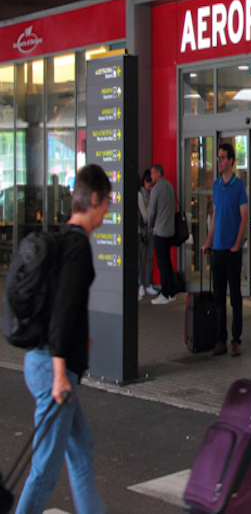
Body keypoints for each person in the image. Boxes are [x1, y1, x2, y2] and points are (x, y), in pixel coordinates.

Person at [15, 164, 111, 514]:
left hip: (42, 362)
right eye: (107, 204)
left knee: (81, 446)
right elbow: (63, 311)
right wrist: (59, 374)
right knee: (44, 469)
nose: (106, 214)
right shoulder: (78, 248)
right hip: (52, 370)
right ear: (95, 199)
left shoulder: (60, 237)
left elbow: (62, 306)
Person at [202, 143, 249, 357]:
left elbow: (244, 218)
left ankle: (236, 339)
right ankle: (221, 340)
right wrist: (208, 242)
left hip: (231, 251)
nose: (219, 162)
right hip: (218, 249)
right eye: (218, 158)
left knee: (235, 297)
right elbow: (214, 216)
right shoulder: (216, 186)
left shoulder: (239, 187)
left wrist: (236, 244)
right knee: (218, 297)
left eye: (222, 158)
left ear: (231, 160)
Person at [148, 163, 178, 305]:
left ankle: (165, 293)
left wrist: (150, 224)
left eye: (153, 173)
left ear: (159, 173)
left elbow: (152, 211)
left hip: (159, 231)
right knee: (168, 261)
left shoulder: (156, 189)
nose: (151, 176)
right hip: (170, 230)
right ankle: (171, 292)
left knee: (162, 263)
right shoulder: (170, 187)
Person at [138, 169, 157, 299]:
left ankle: (148, 283)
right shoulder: (140, 195)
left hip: (150, 229)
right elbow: (144, 214)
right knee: (141, 257)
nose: (150, 188)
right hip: (142, 230)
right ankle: (140, 284)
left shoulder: (152, 194)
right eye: (149, 185)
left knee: (149, 256)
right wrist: (149, 223)